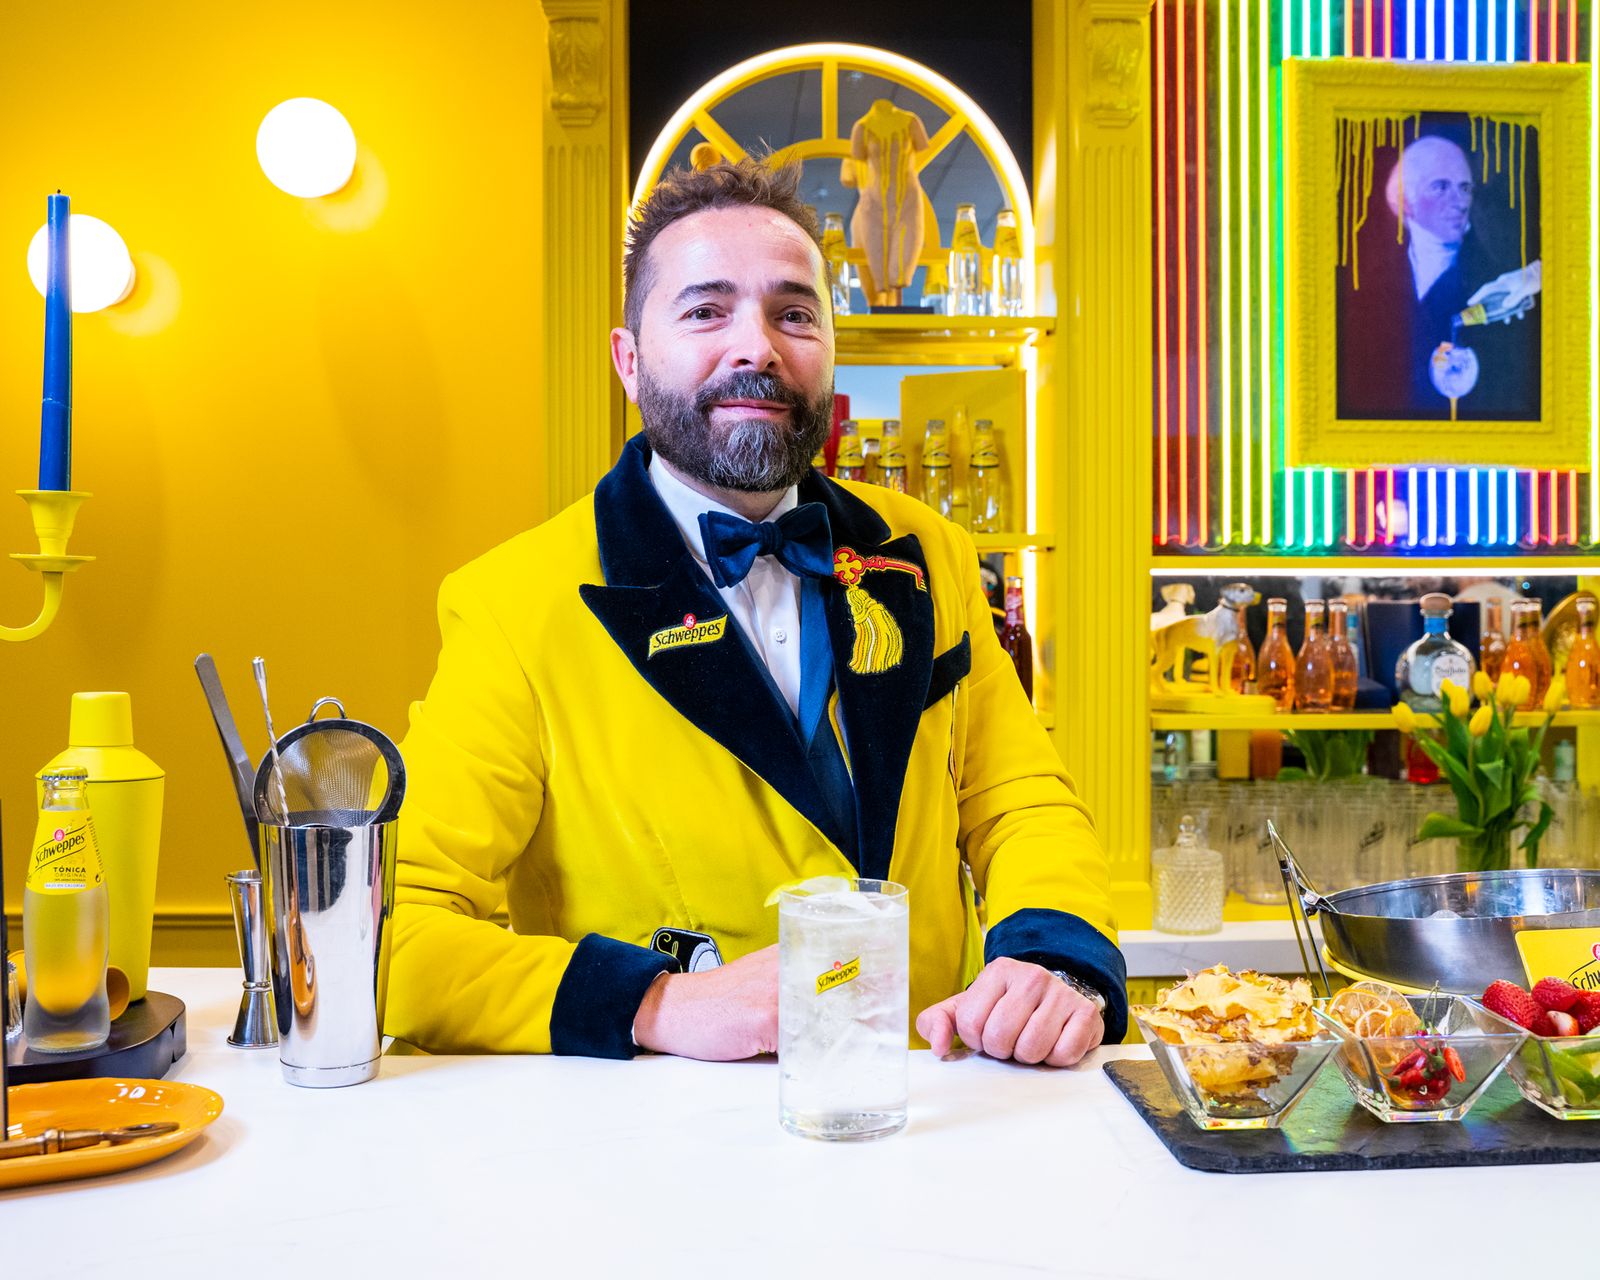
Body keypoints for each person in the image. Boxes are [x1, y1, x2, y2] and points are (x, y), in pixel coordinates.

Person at [384, 158, 1126, 1067]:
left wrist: (1053, 960)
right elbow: (393, 934)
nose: (758, 348)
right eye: (705, 311)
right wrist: (657, 1004)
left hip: (929, 1110)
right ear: (629, 359)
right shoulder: (510, 603)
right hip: (666, 1151)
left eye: (794, 313)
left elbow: (1019, 803)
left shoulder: (925, 549)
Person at [1338, 132, 1540, 421]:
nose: (1460, 202)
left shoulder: (1501, 280)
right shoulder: (1370, 285)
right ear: (1405, 201)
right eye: (1441, 187)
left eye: (1465, 188)